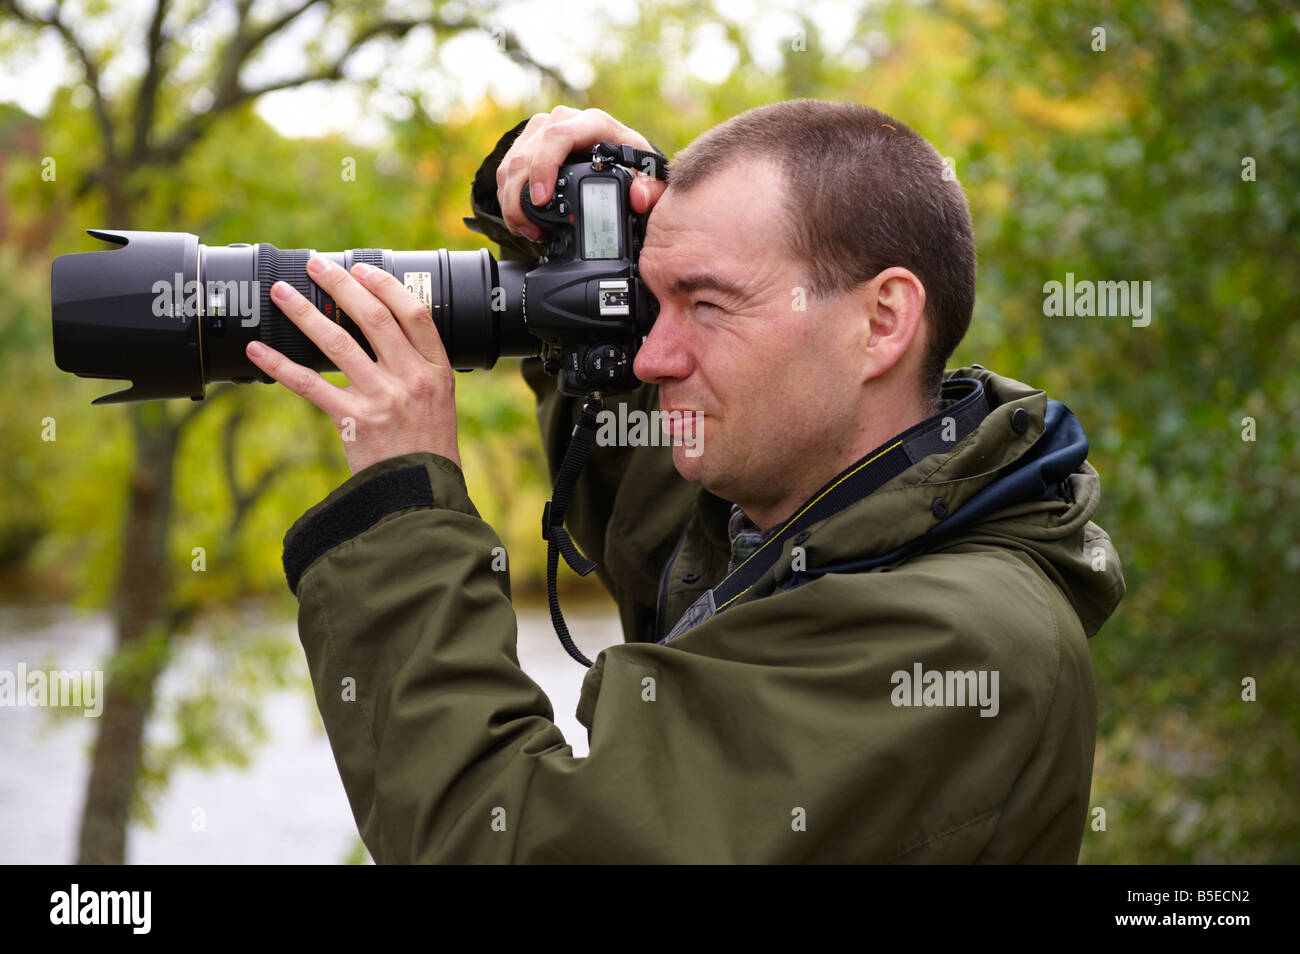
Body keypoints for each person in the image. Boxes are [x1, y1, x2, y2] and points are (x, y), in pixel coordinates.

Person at [246, 101, 1126, 863]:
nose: (657, 354)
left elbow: (503, 843)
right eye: (651, 299)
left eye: (707, 305)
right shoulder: (809, 522)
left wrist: (403, 502)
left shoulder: (958, 641)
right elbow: (654, 520)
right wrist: (569, 229)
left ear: (882, 322)